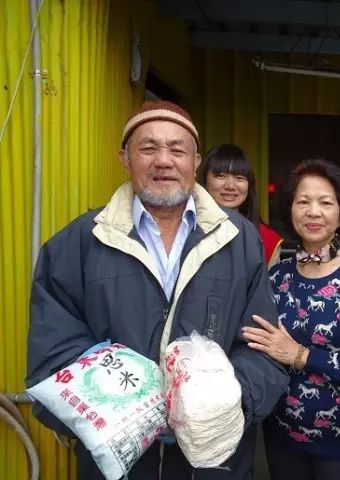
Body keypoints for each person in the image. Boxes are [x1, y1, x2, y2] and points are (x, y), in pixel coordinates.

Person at [25, 100, 289, 480]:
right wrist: (122, 413)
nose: (164, 161)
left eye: (177, 150)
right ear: (124, 158)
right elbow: (52, 353)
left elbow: (263, 345)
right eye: (148, 148)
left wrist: (225, 405)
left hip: (213, 466)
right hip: (121, 466)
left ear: (195, 161)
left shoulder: (239, 239)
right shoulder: (80, 242)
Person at [242, 159, 340, 480]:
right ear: (290, 210)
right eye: (303, 202)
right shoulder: (277, 275)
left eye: (325, 202)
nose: (313, 212)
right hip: (280, 436)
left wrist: (300, 355)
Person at [198, 144, 283, 268]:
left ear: (249, 185)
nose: (230, 186)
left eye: (239, 178)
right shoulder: (186, 229)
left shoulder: (267, 239)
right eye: (221, 176)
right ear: (205, 182)